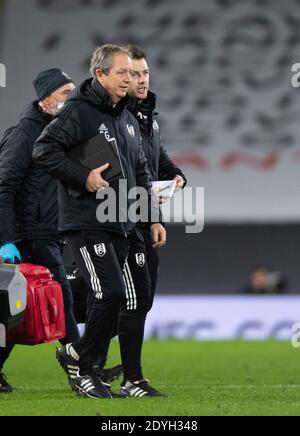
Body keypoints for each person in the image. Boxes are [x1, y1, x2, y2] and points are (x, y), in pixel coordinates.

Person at [33, 44, 166, 399]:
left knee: (127, 297)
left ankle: (98, 365)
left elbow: (139, 169)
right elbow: (43, 150)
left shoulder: (124, 114)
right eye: (122, 72)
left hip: (122, 220)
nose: (130, 79)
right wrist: (83, 177)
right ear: (101, 75)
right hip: (87, 219)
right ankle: (83, 363)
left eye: (133, 73)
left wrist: (151, 217)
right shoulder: (78, 111)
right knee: (108, 294)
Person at [0, 68, 79, 394]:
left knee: (15, 312)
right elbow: (3, 187)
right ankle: (83, 366)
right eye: (65, 94)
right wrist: (5, 240)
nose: (70, 99)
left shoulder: (58, 133)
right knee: (60, 297)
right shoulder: (26, 133)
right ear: (46, 98)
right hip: (29, 234)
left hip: (48, 229)